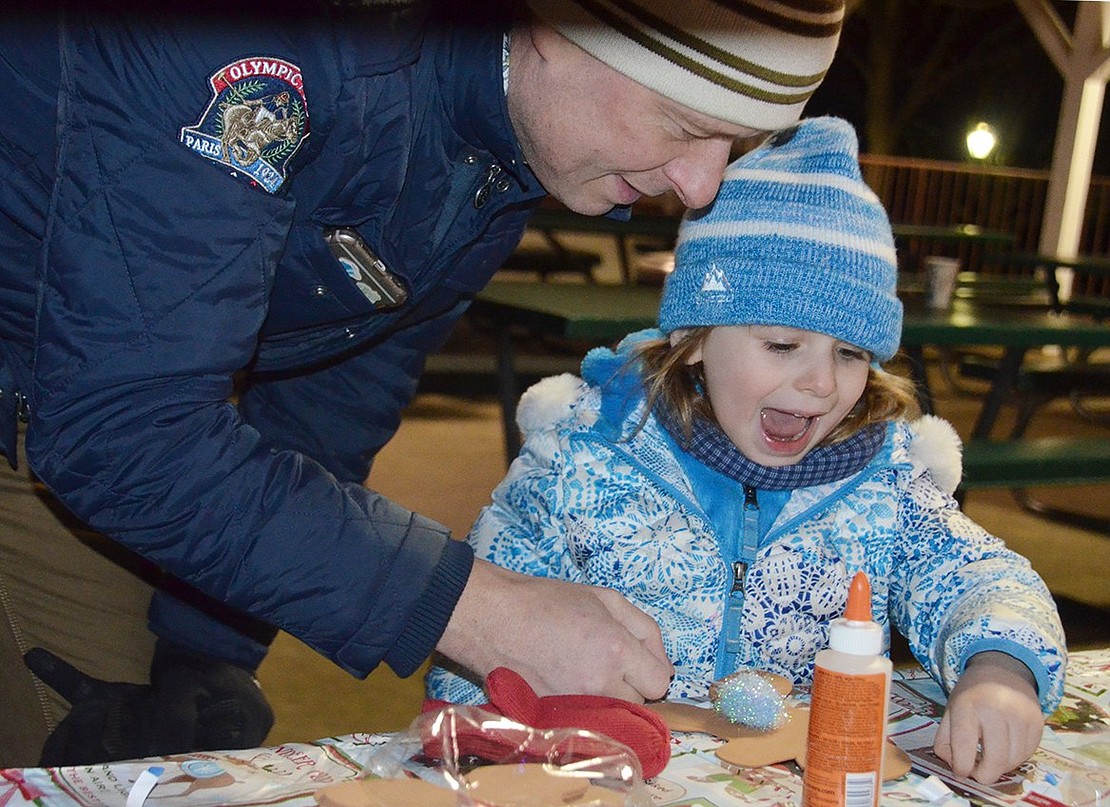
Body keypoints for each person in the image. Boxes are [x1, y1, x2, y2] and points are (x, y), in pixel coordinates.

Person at [0, 0, 847, 766]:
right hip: (55, 387)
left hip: (96, 377)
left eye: (731, 147)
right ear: (555, 24)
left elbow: (338, 380)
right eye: (682, 122)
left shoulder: (510, 139)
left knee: (160, 729)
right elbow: (123, 429)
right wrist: (479, 609)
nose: (700, 187)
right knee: (79, 756)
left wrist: (204, 643)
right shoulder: (264, 44)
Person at [425, 117, 1067, 785]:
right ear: (697, 337)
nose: (820, 384)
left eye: (850, 354)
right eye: (782, 345)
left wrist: (1003, 670)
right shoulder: (582, 461)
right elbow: (477, 641)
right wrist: (520, 731)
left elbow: (981, 575)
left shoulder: (885, 483)